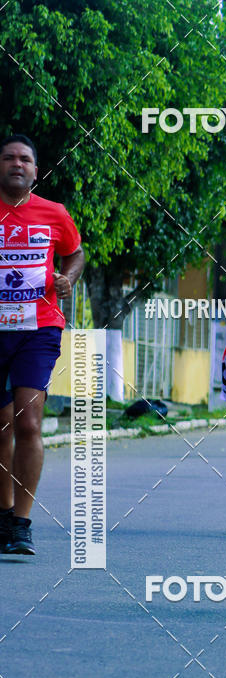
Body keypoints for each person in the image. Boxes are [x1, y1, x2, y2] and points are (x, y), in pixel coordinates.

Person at [0, 134, 85, 555]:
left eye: (25, 159)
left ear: (36, 170)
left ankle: (22, 523)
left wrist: (69, 276)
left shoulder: (54, 213)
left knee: (28, 422)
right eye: (10, 158)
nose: (17, 164)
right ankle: (3, 513)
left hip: (39, 328)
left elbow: (76, 253)